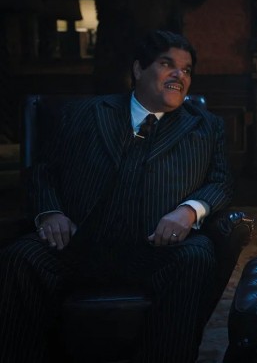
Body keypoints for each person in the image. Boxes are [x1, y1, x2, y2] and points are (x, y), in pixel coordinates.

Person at [0, 30, 233, 362]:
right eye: (167, 64)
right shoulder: (83, 113)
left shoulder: (205, 126)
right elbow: (42, 171)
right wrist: (50, 212)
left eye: (186, 69)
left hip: (154, 249)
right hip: (77, 244)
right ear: (138, 69)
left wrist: (189, 210)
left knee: (197, 255)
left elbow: (221, 182)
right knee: (19, 258)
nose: (179, 76)